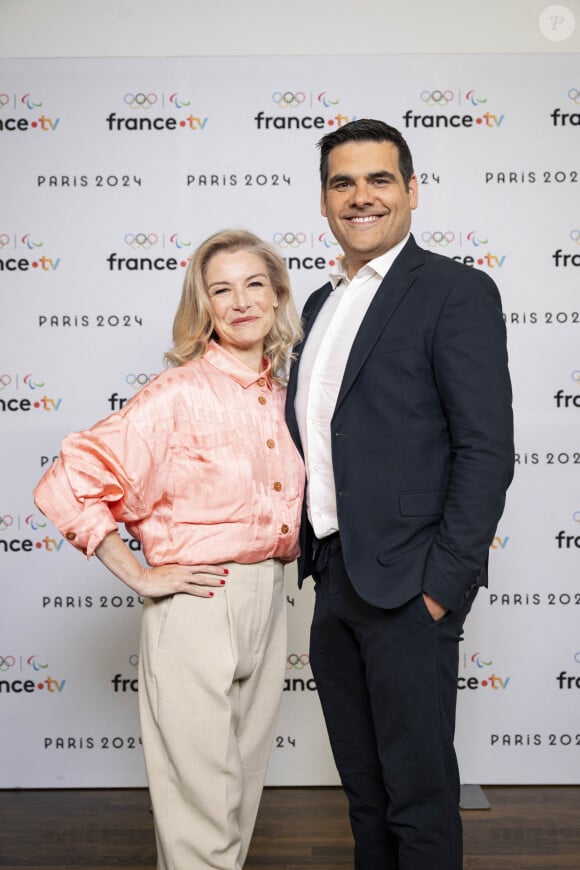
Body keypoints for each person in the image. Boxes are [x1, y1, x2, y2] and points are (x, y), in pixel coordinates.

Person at [34, 228, 305, 870]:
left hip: (271, 601)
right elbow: (68, 482)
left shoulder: (288, 398)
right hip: (198, 606)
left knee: (235, 794)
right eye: (221, 290)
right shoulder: (176, 394)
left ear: (277, 295)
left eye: (254, 284)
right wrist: (139, 573)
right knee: (199, 806)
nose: (240, 301)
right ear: (202, 306)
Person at [285, 119, 514, 870]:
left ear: (412, 191)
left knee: (417, 797)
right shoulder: (320, 306)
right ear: (323, 200)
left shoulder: (455, 291)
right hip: (335, 578)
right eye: (342, 182)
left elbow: (485, 449)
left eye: (379, 179)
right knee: (364, 793)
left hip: (411, 588)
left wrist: (441, 587)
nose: (360, 197)